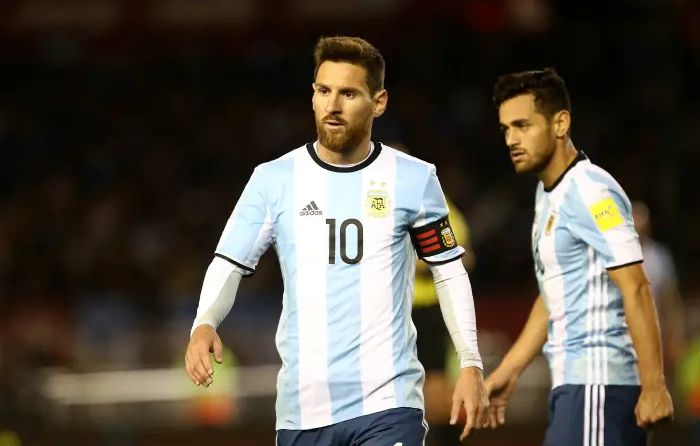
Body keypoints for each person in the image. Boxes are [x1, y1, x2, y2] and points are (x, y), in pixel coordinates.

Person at [184, 36, 489, 446]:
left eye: (348, 93)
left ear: (378, 102)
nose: (333, 104)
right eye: (324, 91)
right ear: (312, 95)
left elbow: (449, 272)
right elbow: (228, 262)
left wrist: (470, 362)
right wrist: (204, 322)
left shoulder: (415, 179)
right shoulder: (274, 180)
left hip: (388, 403)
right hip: (302, 410)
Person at [482, 68, 674, 445]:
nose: (511, 139)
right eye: (506, 129)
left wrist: (654, 386)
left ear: (560, 123)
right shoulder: (548, 194)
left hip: (599, 385)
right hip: (575, 388)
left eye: (522, 125)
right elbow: (553, 294)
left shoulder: (591, 190)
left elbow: (635, 286)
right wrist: (509, 369)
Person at [393, 142, 476, 446]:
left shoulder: (439, 207)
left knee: (435, 386)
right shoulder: (380, 206)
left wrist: (417, 262)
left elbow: (464, 257)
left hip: (428, 310)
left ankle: (443, 440)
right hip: (393, 312)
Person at [631, 201, 686, 372]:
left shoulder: (660, 257)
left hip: (655, 338)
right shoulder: (615, 255)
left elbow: (670, 299)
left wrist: (676, 336)